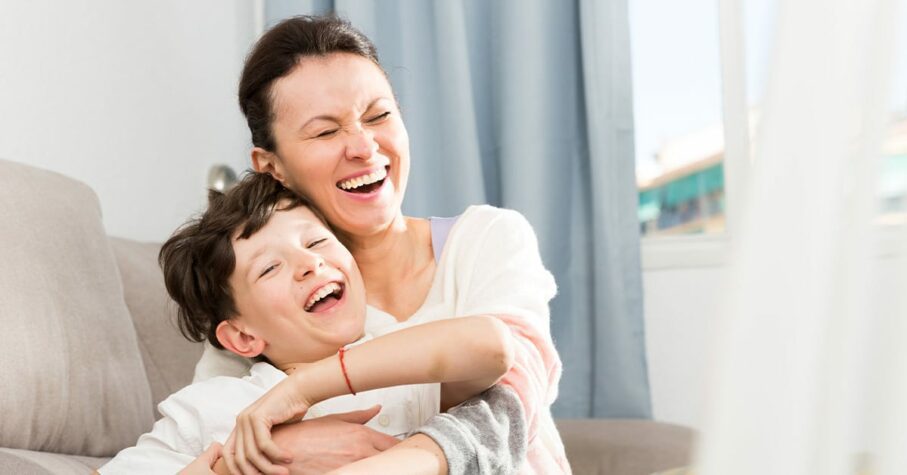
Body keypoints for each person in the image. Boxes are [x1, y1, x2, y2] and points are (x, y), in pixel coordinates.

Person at [197, 14, 570, 475]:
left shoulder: (487, 239)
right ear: (271, 165)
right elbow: (202, 445)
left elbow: (512, 395)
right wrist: (282, 449)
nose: (364, 146)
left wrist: (306, 389)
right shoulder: (267, 309)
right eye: (325, 131)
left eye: (379, 116)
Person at [99, 172, 516, 474]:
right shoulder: (215, 405)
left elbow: (493, 346)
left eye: (316, 242)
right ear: (243, 336)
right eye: (270, 268)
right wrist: (252, 461)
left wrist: (303, 388)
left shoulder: (401, 363)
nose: (308, 264)